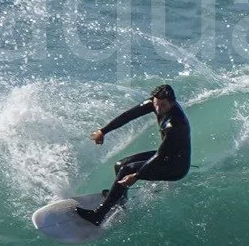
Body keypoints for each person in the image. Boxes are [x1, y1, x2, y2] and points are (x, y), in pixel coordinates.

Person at [78, 83, 190, 225]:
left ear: (172, 103)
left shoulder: (175, 124)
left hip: (176, 166)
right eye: (156, 104)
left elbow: (160, 156)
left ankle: (98, 215)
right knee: (120, 165)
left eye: (163, 106)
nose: (158, 109)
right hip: (165, 155)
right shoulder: (154, 103)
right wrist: (103, 131)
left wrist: (136, 176)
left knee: (127, 170)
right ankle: (120, 201)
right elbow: (128, 115)